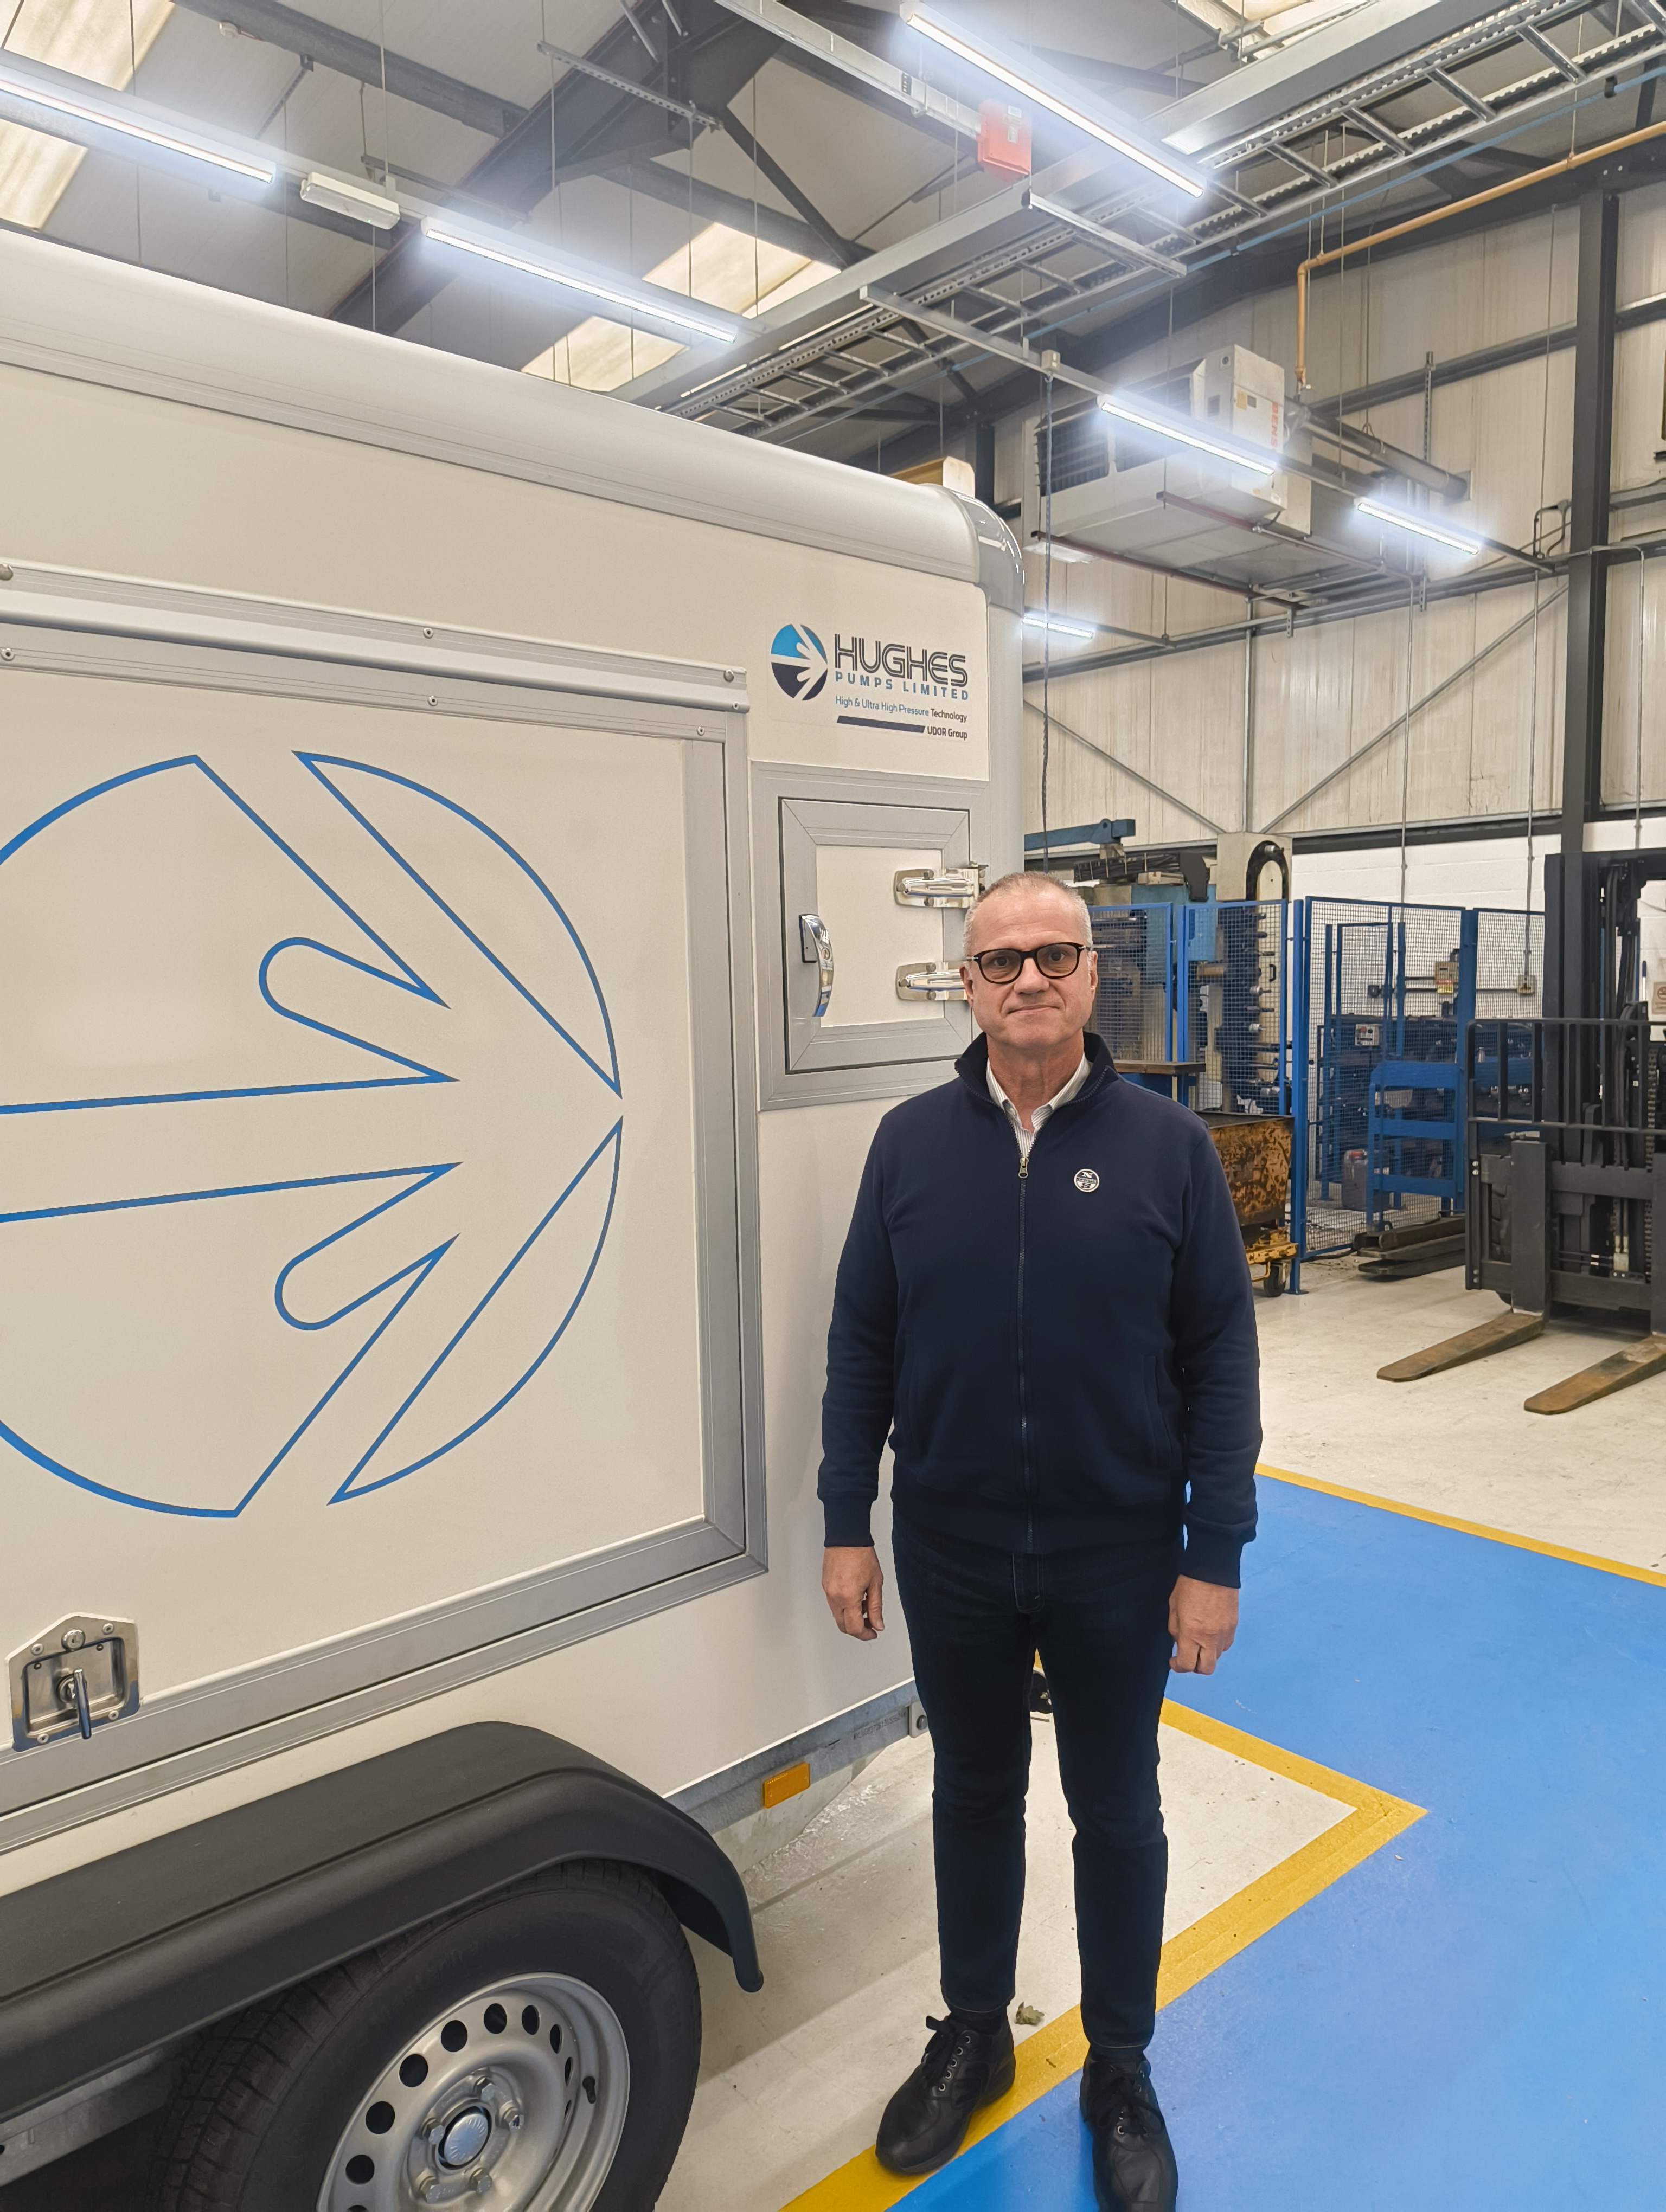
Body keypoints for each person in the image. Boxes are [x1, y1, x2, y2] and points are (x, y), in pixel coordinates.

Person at [817, 870, 1260, 2212]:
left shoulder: (1167, 1148)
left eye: (1054, 955)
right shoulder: (908, 1144)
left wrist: (1215, 1555)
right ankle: (975, 2032)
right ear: (967, 985)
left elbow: (1220, 1363)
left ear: (1090, 976)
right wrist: (846, 1523)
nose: (1028, 979)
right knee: (971, 1792)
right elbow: (862, 1343)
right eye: (1001, 959)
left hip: (1116, 1551)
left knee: (1116, 1808)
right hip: (952, 1544)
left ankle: (1119, 2066)